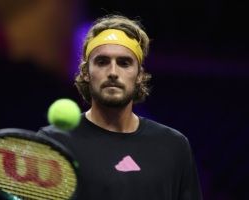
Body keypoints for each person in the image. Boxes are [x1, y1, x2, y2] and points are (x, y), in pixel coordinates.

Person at [39, 14, 203, 200]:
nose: (113, 73)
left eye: (124, 63)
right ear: (85, 72)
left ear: (140, 75)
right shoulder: (54, 142)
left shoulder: (174, 146)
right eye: (102, 62)